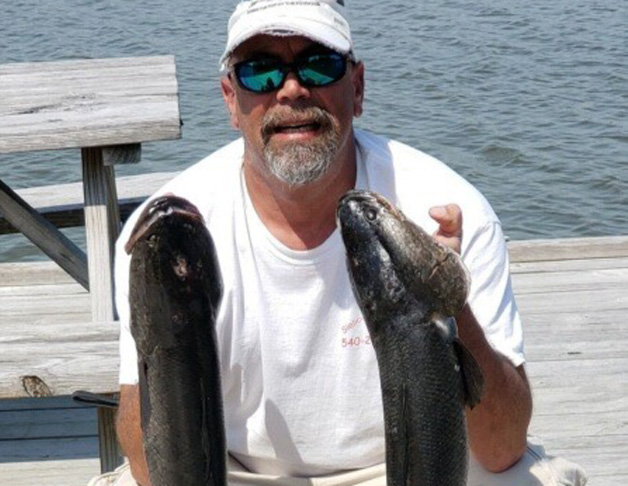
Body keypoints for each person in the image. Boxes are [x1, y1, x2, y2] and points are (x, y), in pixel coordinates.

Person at [89, 1, 587, 485]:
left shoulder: (445, 209)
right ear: (229, 99)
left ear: (358, 87)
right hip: (232, 469)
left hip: (415, 463)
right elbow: (149, 469)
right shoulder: (167, 235)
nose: (291, 90)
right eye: (260, 72)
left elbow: (502, 449)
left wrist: (452, 310)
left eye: (320, 66)